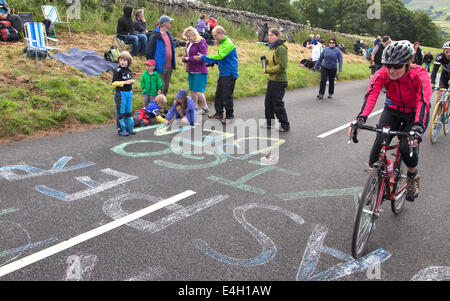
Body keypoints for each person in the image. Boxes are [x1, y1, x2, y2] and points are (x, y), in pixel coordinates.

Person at [351, 40, 431, 202]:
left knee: (406, 147)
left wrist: (417, 128)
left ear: (408, 64)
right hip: (393, 110)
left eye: (397, 66)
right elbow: (371, 95)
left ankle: (412, 176)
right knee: (379, 143)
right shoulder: (381, 73)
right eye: (388, 65)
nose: (392, 70)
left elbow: (423, 101)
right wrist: (360, 119)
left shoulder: (420, 75)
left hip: (414, 114)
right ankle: (376, 181)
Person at [193, 26, 239, 124]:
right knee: (219, 95)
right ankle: (219, 113)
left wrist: (204, 58)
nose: (214, 38)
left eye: (215, 36)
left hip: (229, 73)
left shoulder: (228, 43)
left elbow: (220, 56)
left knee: (227, 96)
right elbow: (223, 59)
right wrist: (211, 63)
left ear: (220, 33)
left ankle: (230, 116)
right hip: (223, 72)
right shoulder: (223, 43)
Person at [262, 28, 290, 132]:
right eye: (269, 35)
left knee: (277, 104)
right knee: (268, 102)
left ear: (278, 37)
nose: (269, 37)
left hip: (279, 80)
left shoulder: (281, 48)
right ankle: (269, 123)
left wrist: (268, 70)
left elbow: (282, 66)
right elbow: (275, 62)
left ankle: (285, 125)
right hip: (272, 79)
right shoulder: (275, 48)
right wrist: (267, 61)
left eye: (272, 36)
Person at [145, 15, 176, 96]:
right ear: (165, 23)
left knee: (166, 87)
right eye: (170, 22)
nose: (171, 24)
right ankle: (157, 107)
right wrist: (152, 64)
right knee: (160, 87)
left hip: (169, 66)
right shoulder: (155, 36)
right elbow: (148, 52)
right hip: (159, 67)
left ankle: (163, 106)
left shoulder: (169, 34)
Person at [182, 27, 209, 114]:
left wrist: (188, 59)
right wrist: (185, 58)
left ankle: (205, 107)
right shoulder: (189, 43)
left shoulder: (202, 42)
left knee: (198, 90)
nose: (188, 38)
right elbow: (187, 54)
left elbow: (202, 57)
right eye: (187, 37)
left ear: (194, 34)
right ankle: (194, 107)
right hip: (191, 69)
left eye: (189, 36)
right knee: (192, 90)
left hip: (200, 70)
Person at [112, 51, 136, 136]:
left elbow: (130, 79)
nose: (122, 62)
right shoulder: (117, 70)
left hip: (129, 93)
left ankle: (129, 128)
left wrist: (132, 81)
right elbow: (113, 83)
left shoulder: (129, 70)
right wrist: (125, 82)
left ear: (128, 62)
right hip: (120, 94)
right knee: (121, 112)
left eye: (124, 60)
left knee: (128, 111)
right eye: (121, 60)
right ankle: (121, 129)